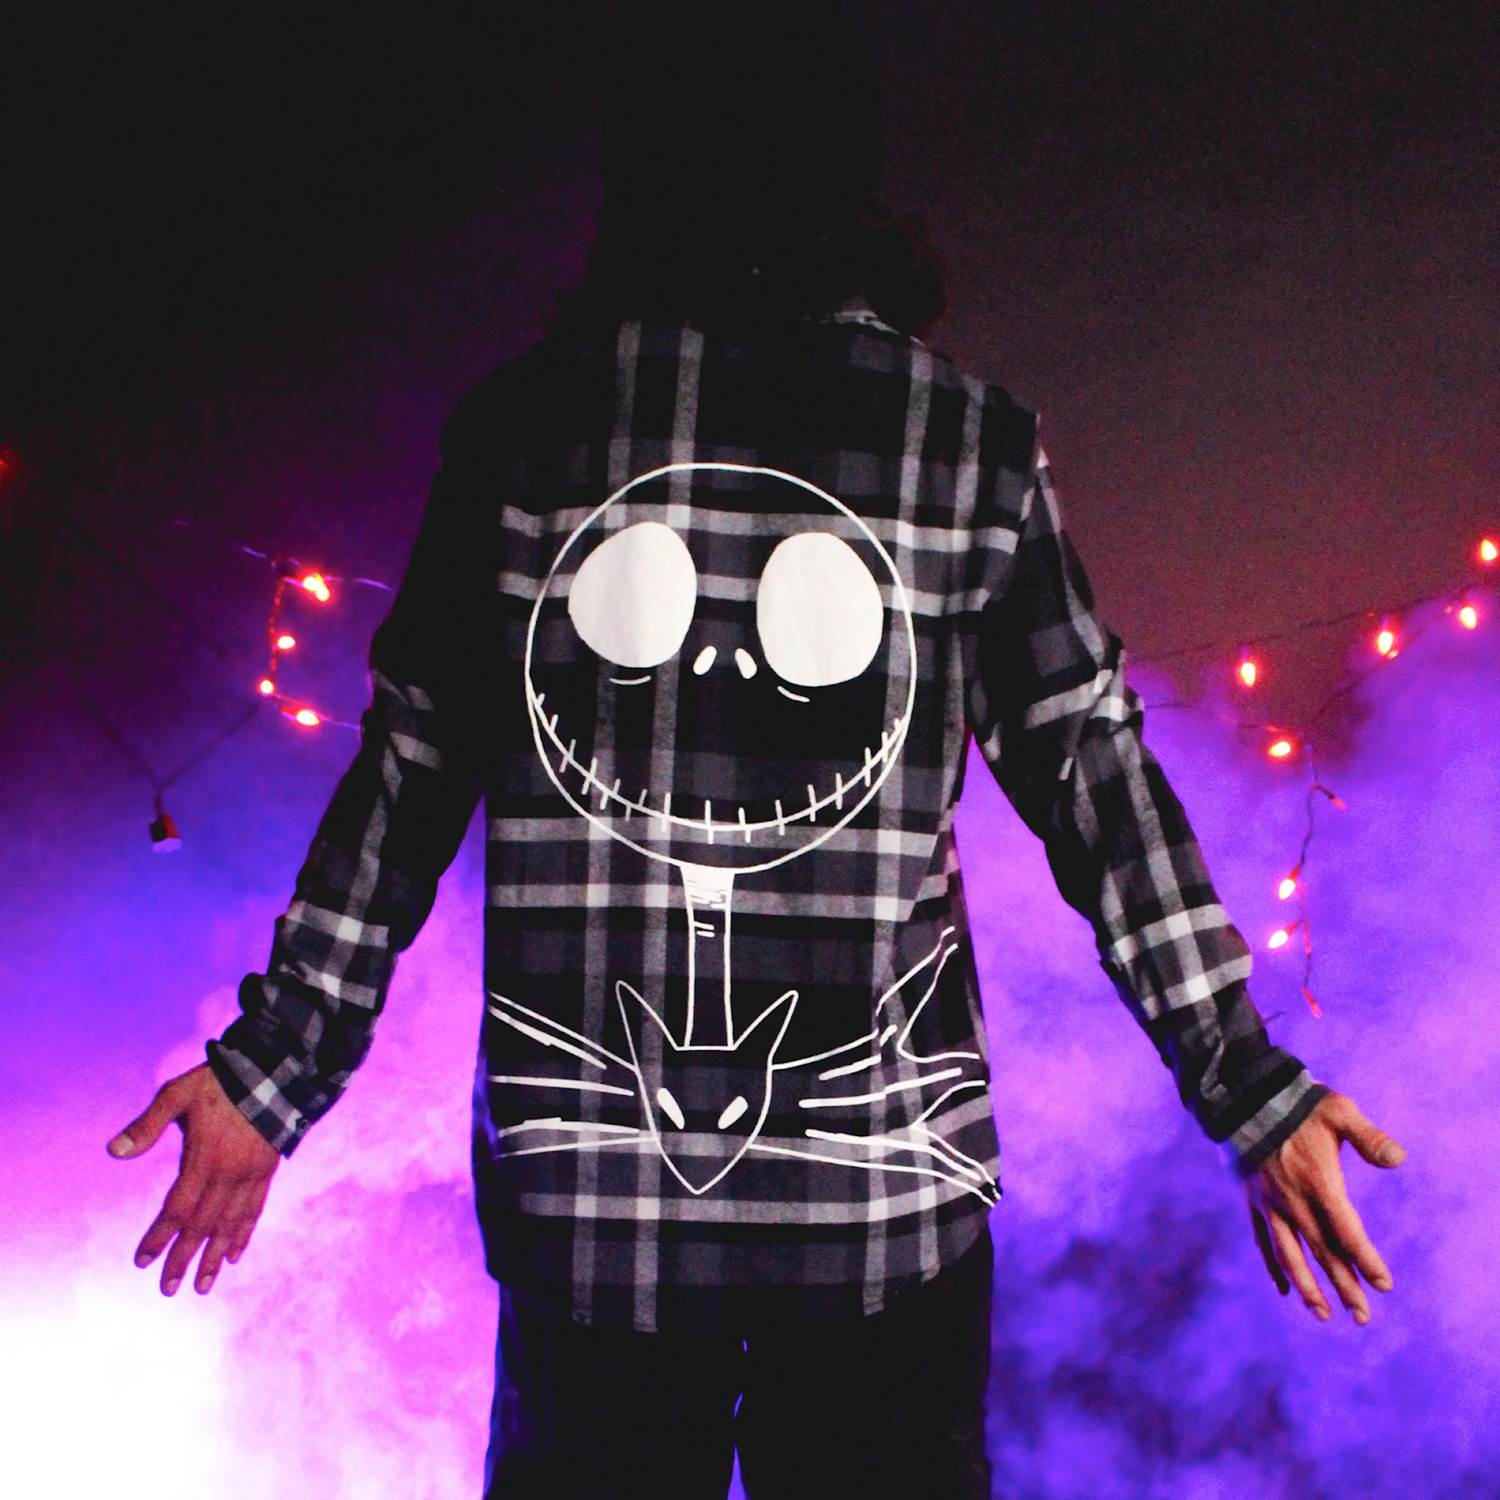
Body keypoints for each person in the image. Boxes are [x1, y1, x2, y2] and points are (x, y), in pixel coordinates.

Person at [107, 5, 1406, 1496]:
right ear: (853, 181)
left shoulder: (526, 432)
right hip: (880, 1215)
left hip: (596, 1219)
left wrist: (274, 1070)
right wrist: (1246, 1082)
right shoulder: (962, 442)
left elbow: (404, 785)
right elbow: (1093, 780)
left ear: (634, 173)